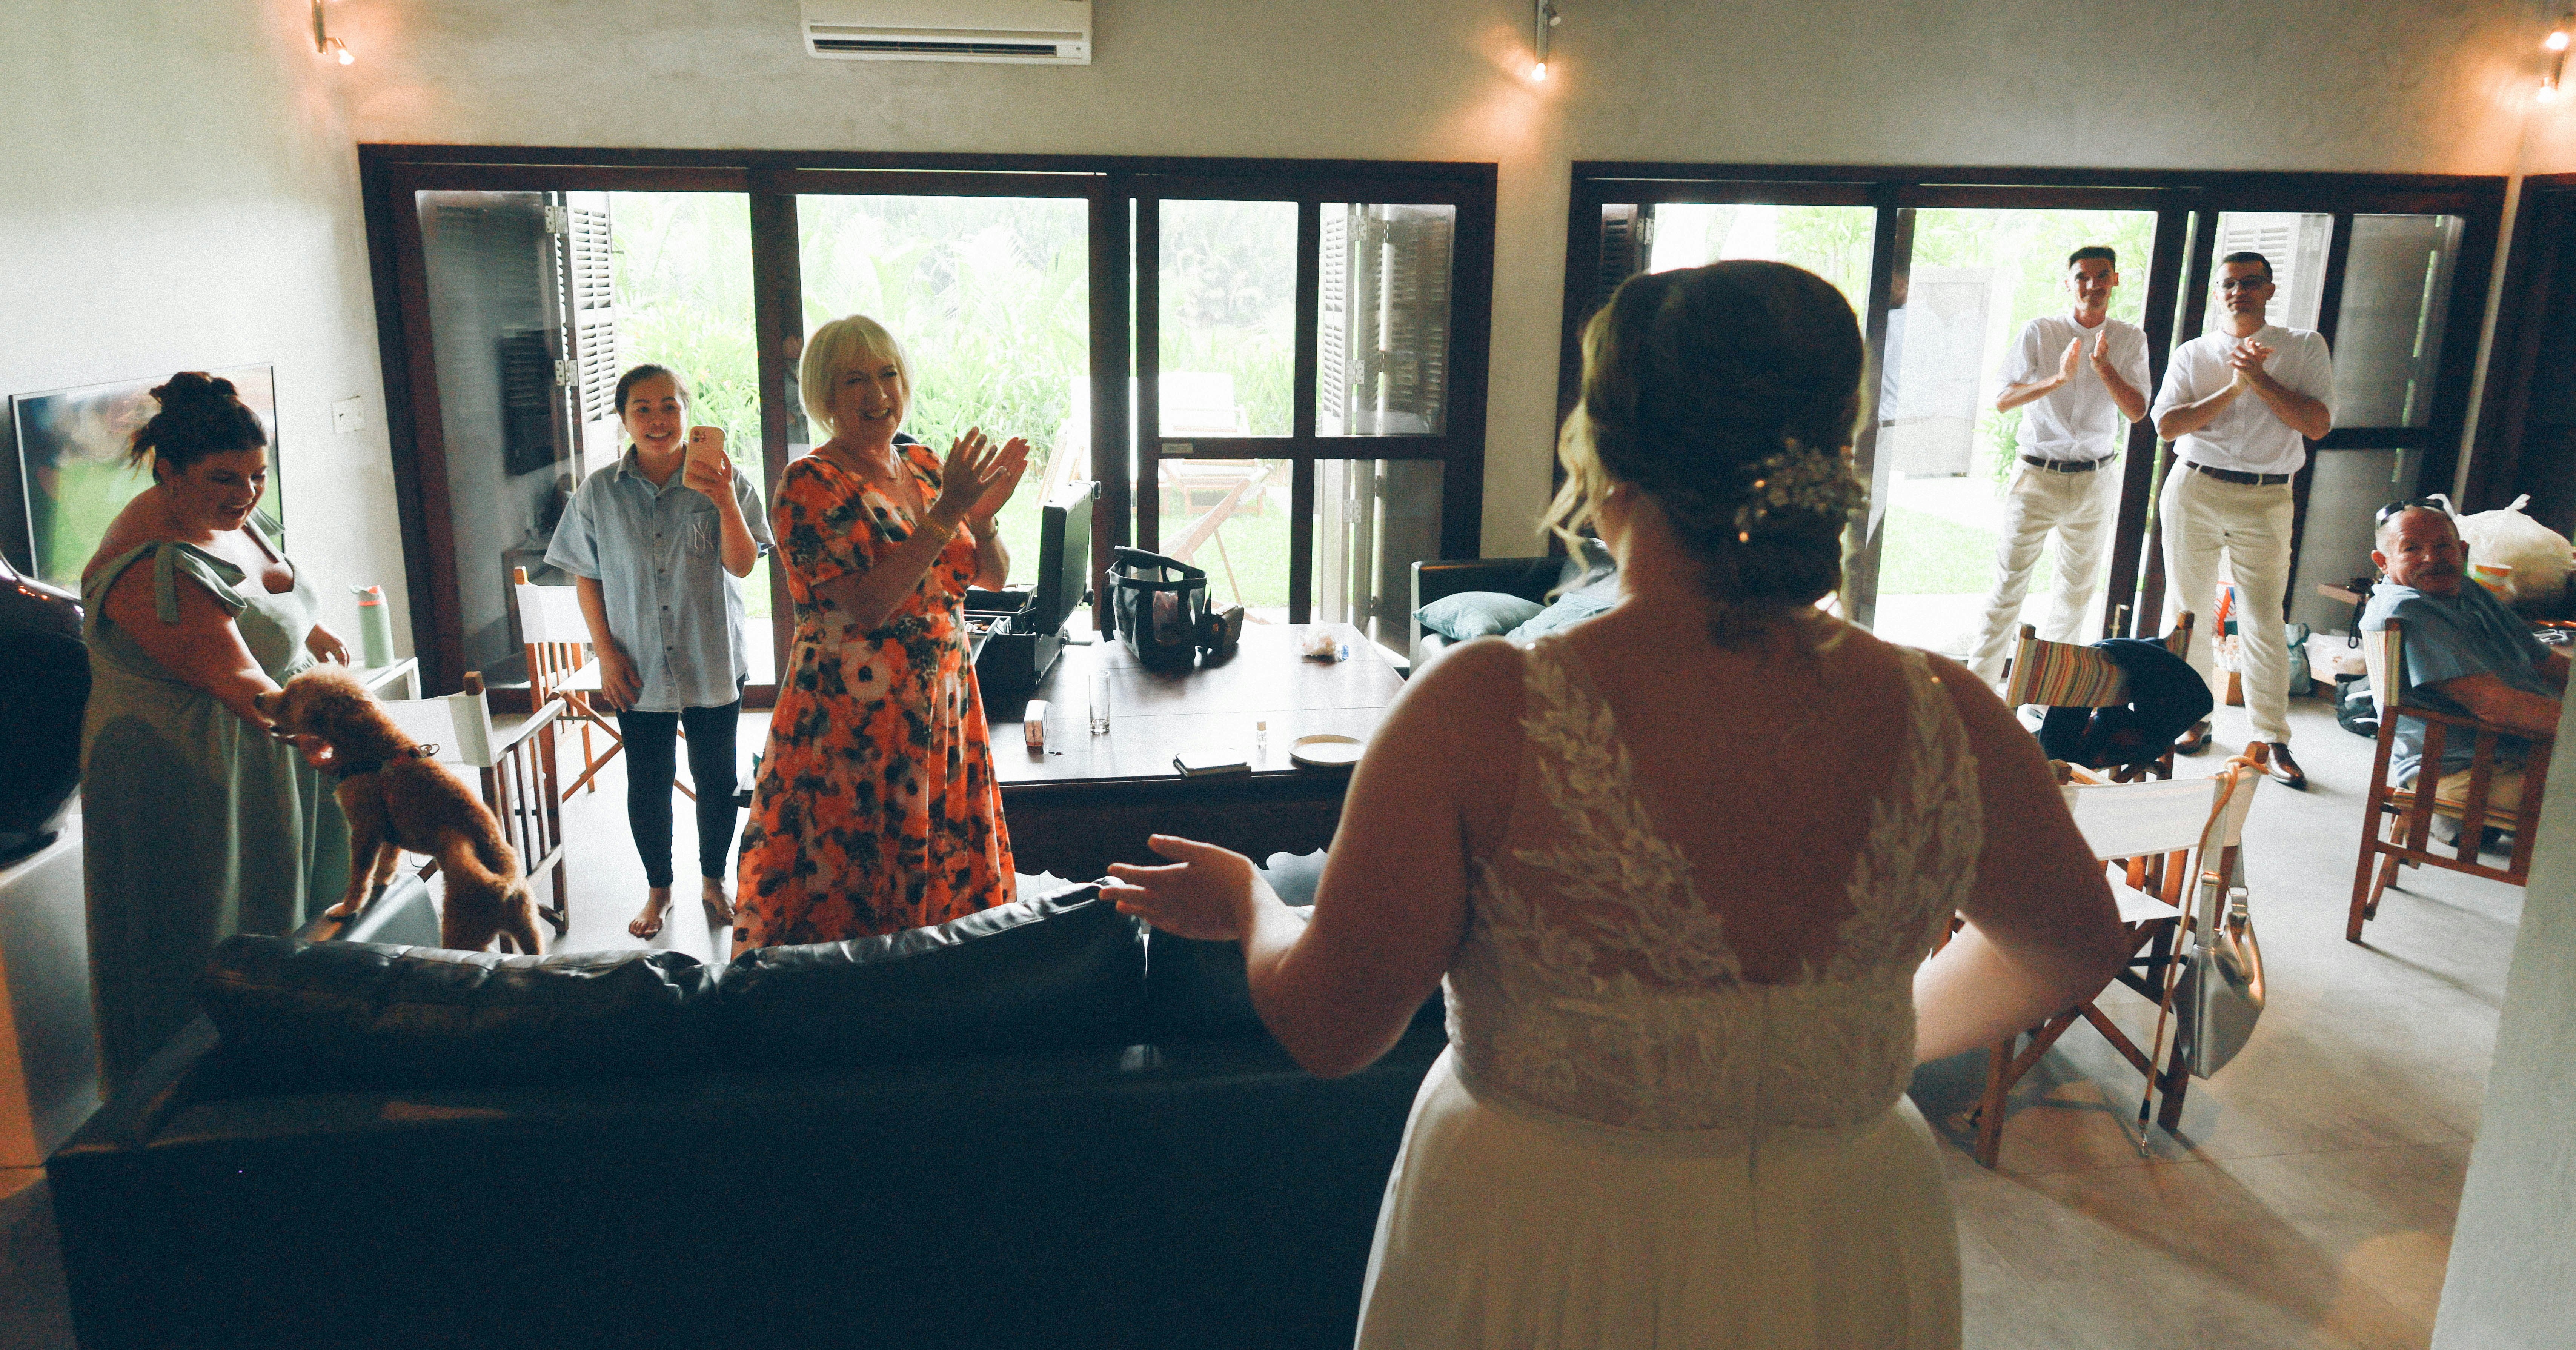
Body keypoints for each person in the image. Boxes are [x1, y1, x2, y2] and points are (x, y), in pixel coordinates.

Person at [1103, 263, 2126, 1348]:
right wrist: (1825, 1047)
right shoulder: (1946, 712)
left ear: (1605, 461)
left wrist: (1255, 899)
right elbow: (2072, 944)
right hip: (1845, 1232)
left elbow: (1330, 1028)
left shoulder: (1483, 709)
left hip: (1546, 1233)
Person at [78, 373, 354, 1088]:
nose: (247, 492)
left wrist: (311, 630)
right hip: (194, 771)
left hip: (266, 749)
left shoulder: (230, 511)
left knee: (299, 929)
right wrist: (355, 741)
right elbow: (243, 684)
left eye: (259, 474)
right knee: (209, 937)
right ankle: (198, 1101)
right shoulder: (156, 567)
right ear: (167, 472)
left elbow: (268, 590)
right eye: (226, 477)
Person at [731, 315, 1030, 952]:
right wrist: (949, 511)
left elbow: (993, 576)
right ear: (824, 397)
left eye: (888, 374)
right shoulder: (807, 485)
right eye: (854, 380)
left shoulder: (923, 465)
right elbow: (868, 604)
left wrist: (982, 514)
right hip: (850, 729)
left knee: (945, 899)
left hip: (944, 714)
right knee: (853, 889)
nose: (878, 394)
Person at [544, 365, 772, 941]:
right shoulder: (599, 491)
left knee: (716, 777)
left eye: (669, 406)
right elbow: (586, 575)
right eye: (642, 409)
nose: (657, 420)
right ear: (623, 419)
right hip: (636, 661)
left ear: (687, 413)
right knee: (647, 782)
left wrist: (722, 498)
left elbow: (744, 564)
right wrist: (606, 655)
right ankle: (659, 888)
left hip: (712, 656)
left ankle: (713, 880)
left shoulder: (726, 479)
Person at [2150, 251, 2334, 784]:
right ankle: (2190, 717)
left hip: (2268, 496)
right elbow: (2166, 425)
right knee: (2187, 610)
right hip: (2195, 488)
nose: (2240, 292)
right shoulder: (2194, 352)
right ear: (2217, 292)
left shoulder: (2303, 346)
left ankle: (2271, 737)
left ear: (2270, 290)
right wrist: (2232, 388)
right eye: (2229, 284)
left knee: (2263, 615)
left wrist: (2262, 378)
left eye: (2251, 283)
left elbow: (2317, 424)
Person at [1967, 246, 2152, 683]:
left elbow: (2138, 411)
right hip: (2037, 477)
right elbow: (2002, 400)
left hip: (2095, 479)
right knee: (2008, 587)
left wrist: (2104, 369)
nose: (2093, 286)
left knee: (2075, 595)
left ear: (2116, 281)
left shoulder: (2130, 339)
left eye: (2102, 276)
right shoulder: (2041, 331)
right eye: (2083, 277)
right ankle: (1977, 694)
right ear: (2067, 283)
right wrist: (2059, 379)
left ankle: (2045, 696)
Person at [2360, 502, 2567, 835]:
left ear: (2462, 551)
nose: (2432, 558)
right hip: (2466, 769)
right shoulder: (2407, 609)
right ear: (2383, 562)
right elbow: (2497, 705)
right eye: (2412, 548)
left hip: (2512, 751)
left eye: (2443, 546)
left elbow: (2549, 664)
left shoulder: (2466, 591)